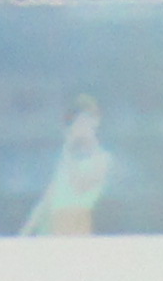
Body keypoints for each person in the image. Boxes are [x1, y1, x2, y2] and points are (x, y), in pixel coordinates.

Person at [21, 94, 112, 237]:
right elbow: (48, 199)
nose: (80, 127)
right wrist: (25, 232)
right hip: (50, 230)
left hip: (76, 228)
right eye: (77, 123)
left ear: (95, 123)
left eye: (85, 122)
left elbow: (79, 187)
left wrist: (69, 153)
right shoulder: (65, 160)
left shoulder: (102, 159)